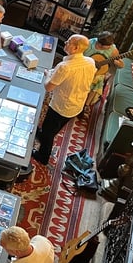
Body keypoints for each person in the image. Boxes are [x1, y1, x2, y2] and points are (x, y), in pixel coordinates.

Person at [32, 35, 94, 166]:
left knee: (49, 132)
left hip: (60, 106)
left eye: (69, 42)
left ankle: (43, 156)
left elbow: (48, 87)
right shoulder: (90, 61)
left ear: (76, 48)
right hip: (77, 105)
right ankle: (42, 135)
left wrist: (48, 75)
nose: (65, 42)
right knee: (55, 128)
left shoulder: (64, 66)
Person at [82, 31, 123, 116]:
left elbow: (121, 65)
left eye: (110, 46)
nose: (109, 48)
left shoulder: (113, 50)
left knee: (98, 80)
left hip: (98, 72)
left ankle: (87, 104)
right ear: (99, 44)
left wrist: (118, 64)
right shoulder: (89, 43)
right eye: (106, 47)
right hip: (83, 68)